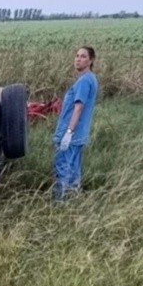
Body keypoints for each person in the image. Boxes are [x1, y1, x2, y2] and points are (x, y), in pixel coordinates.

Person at [52, 46, 99, 201]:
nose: (78, 59)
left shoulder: (84, 81)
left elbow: (78, 108)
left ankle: (59, 202)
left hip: (71, 134)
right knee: (74, 169)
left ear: (90, 60)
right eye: (77, 55)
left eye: (83, 56)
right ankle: (74, 199)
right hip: (80, 134)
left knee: (63, 168)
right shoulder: (91, 78)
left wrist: (68, 133)